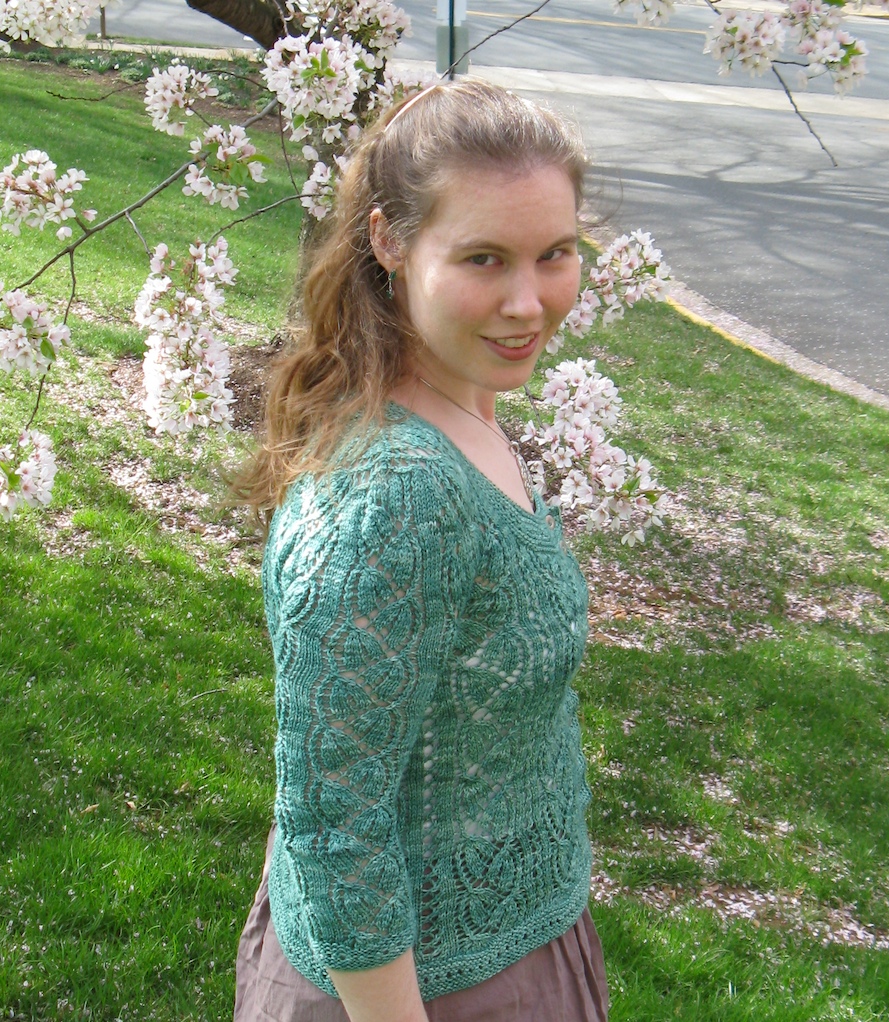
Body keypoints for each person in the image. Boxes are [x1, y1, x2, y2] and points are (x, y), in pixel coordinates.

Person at [232, 80, 609, 1022]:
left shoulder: (461, 403)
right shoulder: (392, 496)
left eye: (555, 254)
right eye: (484, 258)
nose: (528, 302)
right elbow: (334, 830)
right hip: (416, 990)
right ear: (390, 242)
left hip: (514, 938)